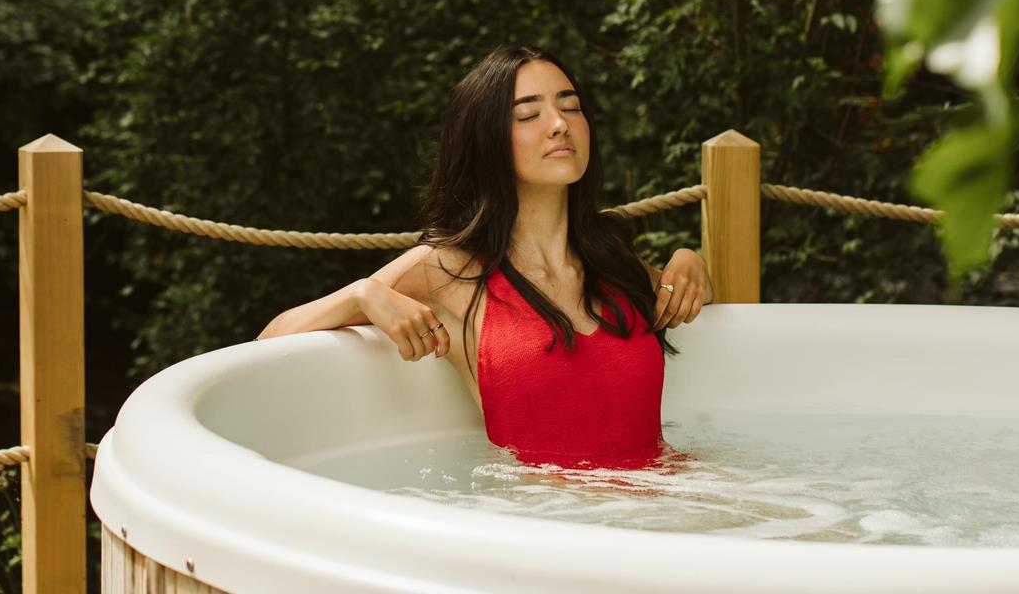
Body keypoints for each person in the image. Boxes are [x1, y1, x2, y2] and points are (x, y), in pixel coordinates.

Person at [258, 46, 712, 468]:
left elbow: (702, 301)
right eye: (529, 114)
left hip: (671, 499)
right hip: (555, 523)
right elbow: (269, 342)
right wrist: (362, 295)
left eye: (571, 107)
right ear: (487, 140)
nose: (559, 123)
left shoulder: (611, 259)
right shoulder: (449, 268)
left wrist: (690, 260)